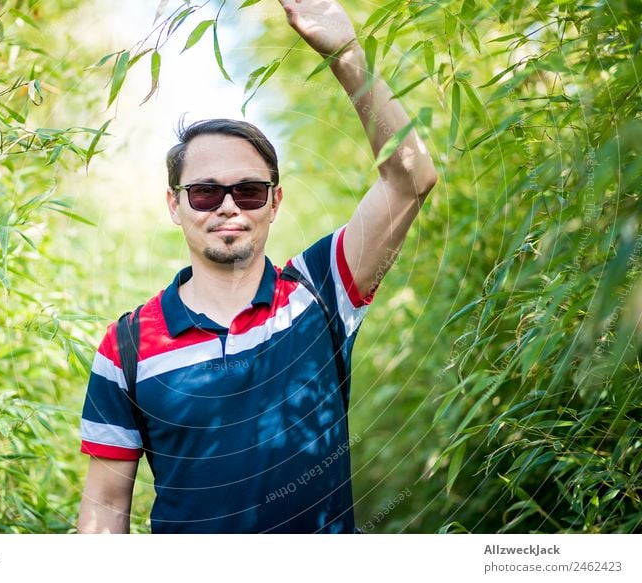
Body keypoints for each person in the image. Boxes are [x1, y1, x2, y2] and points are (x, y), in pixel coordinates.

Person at [76, 0, 437, 534]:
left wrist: (345, 51)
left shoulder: (321, 292)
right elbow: (104, 516)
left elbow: (411, 178)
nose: (227, 206)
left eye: (247, 190)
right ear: (175, 205)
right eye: (204, 192)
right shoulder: (125, 348)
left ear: (274, 201)